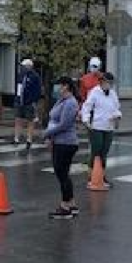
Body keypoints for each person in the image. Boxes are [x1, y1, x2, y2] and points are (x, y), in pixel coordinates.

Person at [44, 76, 81, 219]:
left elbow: (64, 124)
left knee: (62, 174)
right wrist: (51, 137)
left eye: (59, 85)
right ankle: (71, 203)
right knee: (63, 173)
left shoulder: (70, 103)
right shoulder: (62, 101)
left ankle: (65, 206)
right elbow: (54, 119)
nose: (57, 88)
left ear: (66, 86)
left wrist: (47, 133)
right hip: (59, 141)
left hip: (66, 143)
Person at [81, 72, 122, 184]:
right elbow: (87, 107)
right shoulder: (95, 92)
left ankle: (102, 176)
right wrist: (86, 120)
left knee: (104, 152)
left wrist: (117, 117)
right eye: (108, 83)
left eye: (111, 83)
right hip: (97, 126)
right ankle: (91, 176)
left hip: (109, 127)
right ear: (102, 82)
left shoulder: (113, 94)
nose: (110, 85)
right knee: (96, 151)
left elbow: (116, 107)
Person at [13, 58, 42, 152]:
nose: (22, 68)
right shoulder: (20, 75)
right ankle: (16, 138)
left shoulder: (35, 76)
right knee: (18, 119)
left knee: (30, 121)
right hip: (19, 100)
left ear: (29, 67)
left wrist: (33, 101)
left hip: (29, 102)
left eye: (24, 66)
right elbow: (18, 87)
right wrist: (16, 98)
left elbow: (37, 90)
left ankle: (29, 139)